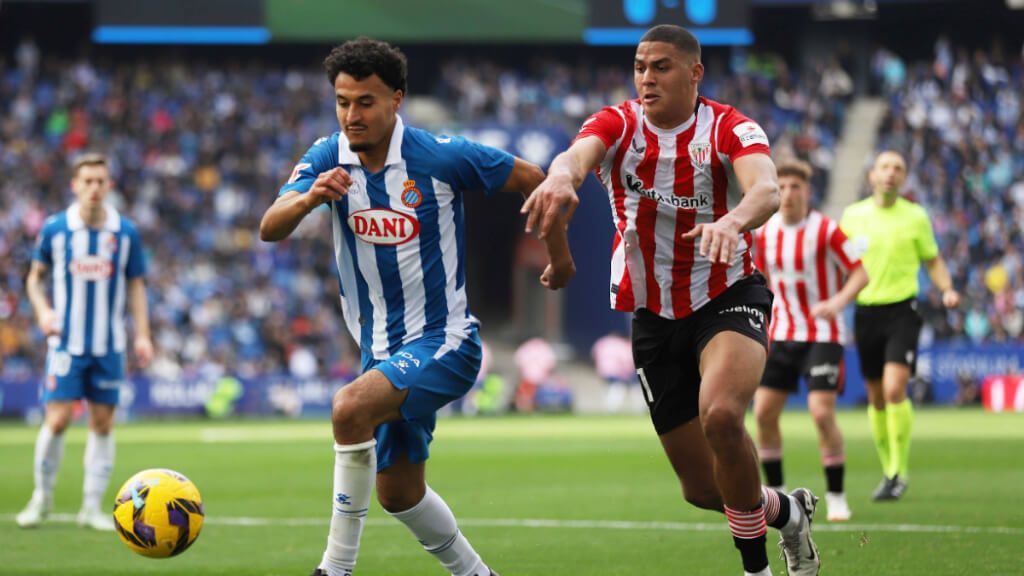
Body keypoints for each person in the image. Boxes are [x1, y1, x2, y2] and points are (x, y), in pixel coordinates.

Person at [259, 37, 574, 576]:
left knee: (348, 408)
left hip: (445, 341)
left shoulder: (440, 156)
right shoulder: (327, 156)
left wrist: (560, 258)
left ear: (397, 99)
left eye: (365, 102)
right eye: (342, 102)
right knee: (400, 494)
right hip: (380, 351)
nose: (352, 115)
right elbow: (270, 226)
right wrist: (310, 197)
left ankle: (334, 569)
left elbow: (534, 180)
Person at [523, 25, 820, 576]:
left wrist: (731, 221)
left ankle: (756, 569)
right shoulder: (617, 124)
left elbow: (766, 189)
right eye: (640, 67)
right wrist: (562, 177)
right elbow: (574, 157)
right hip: (654, 314)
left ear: (694, 72)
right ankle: (788, 511)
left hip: (727, 293)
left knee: (722, 416)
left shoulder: (730, 127)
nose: (647, 78)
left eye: (661, 66)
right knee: (705, 490)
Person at [16, 153, 153, 530]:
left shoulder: (125, 232)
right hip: (66, 345)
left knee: (103, 424)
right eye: (87, 181)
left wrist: (142, 334)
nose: (94, 187)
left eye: (100, 181)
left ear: (109, 186)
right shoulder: (56, 229)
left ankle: (91, 508)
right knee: (57, 420)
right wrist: (43, 311)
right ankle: (41, 497)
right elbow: (34, 278)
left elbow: (136, 285)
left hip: (109, 346)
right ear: (75, 185)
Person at [752, 159, 869, 522]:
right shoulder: (765, 233)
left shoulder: (826, 230)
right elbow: (761, 279)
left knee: (821, 412)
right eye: (782, 187)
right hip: (781, 334)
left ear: (807, 191)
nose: (788, 194)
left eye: (795, 187)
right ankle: (778, 496)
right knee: (763, 413)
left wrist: (836, 303)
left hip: (823, 335)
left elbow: (860, 274)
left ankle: (836, 496)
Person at [839, 150, 960, 501]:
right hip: (866, 311)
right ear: (872, 175)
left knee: (894, 389)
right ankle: (888, 471)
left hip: (903, 310)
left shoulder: (915, 216)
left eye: (898, 168)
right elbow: (839, 260)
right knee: (876, 396)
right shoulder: (852, 215)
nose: (891, 173)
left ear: (904, 178)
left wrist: (947, 288)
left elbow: (933, 260)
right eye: (885, 167)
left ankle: (899, 471)